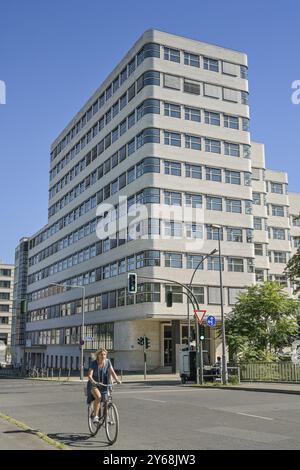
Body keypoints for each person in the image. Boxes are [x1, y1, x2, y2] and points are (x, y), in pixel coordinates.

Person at [87, 348, 121, 423]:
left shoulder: (108, 362)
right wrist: (93, 381)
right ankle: (95, 416)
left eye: (104, 354)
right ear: (98, 355)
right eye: (101, 354)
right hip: (94, 384)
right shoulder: (94, 363)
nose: (103, 356)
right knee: (98, 397)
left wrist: (117, 380)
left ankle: (106, 417)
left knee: (106, 401)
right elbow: (89, 375)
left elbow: (112, 372)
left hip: (104, 384)